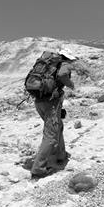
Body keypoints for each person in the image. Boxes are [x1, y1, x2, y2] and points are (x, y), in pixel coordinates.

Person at [30, 50, 76, 179]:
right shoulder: (63, 64)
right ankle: (38, 170)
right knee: (50, 136)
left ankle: (61, 155)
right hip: (51, 103)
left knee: (58, 127)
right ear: (67, 58)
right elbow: (62, 75)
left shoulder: (46, 64)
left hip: (39, 101)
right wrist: (71, 85)